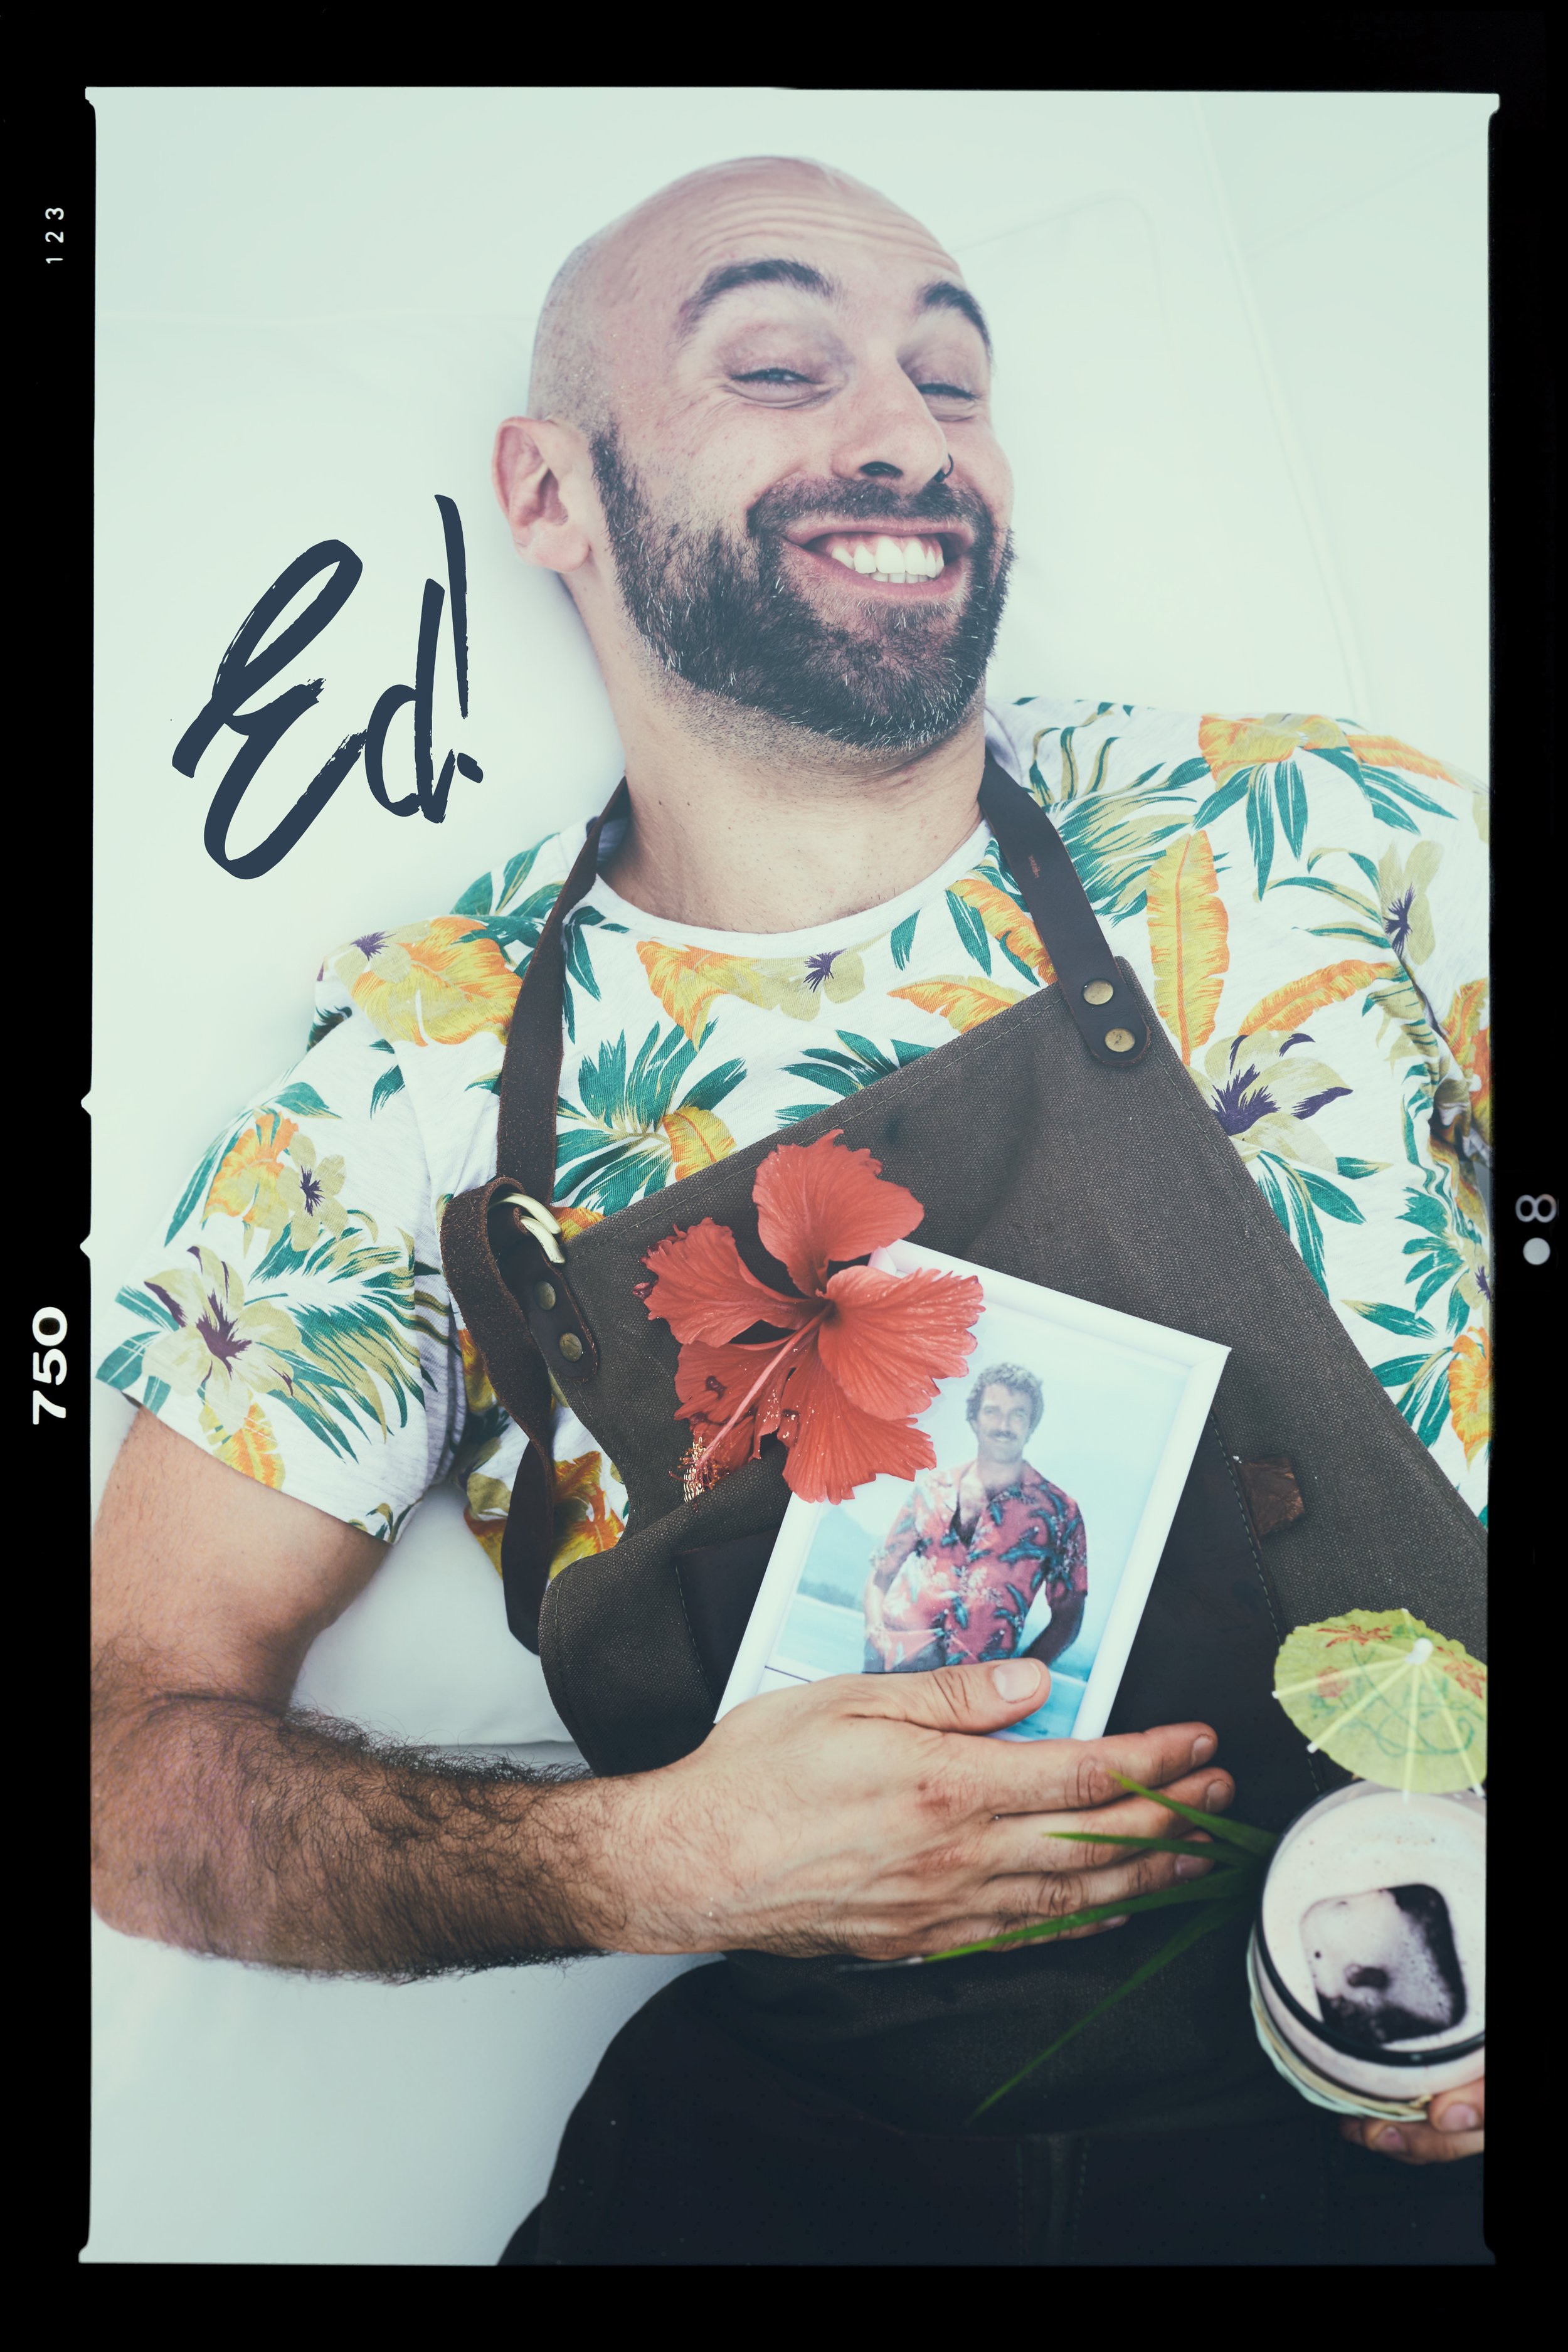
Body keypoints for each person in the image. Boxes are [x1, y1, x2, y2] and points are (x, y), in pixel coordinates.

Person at [92, 155, 1489, 2263]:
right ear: (546, 492)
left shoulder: (1312, 832)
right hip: (835, 2163)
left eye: (954, 374)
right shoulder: (414, 1078)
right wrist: (644, 1869)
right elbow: (123, 1756)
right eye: (779, 360)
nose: (910, 431)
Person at [864, 1364, 1087, 1671]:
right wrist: (876, 1634)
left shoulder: (1059, 1513)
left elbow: (1069, 1618)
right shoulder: (932, 1489)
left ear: (1031, 1425)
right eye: (993, 1412)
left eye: (1018, 1414)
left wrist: (1014, 1679)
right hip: (889, 1660)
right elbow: (881, 1574)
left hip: (969, 1685)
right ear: (974, 1420)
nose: (1004, 1425)